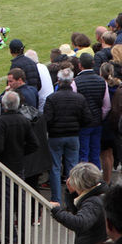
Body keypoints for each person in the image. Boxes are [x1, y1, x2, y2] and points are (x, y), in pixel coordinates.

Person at [44, 68, 93, 202]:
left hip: (56, 137)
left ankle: (57, 200)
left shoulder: (52, 98)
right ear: (71, 81)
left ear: (58, 81)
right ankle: (73, 199)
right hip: (72, 136)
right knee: (72, 168)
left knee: (55, 168)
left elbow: (47, 119)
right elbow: (87, 118)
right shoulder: (79, 98)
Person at [49, 162, 107, 244]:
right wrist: (71, 193)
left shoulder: (93, 202)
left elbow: (80, 223)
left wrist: (56, 210)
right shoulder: (95, 195)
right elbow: (78, 211)